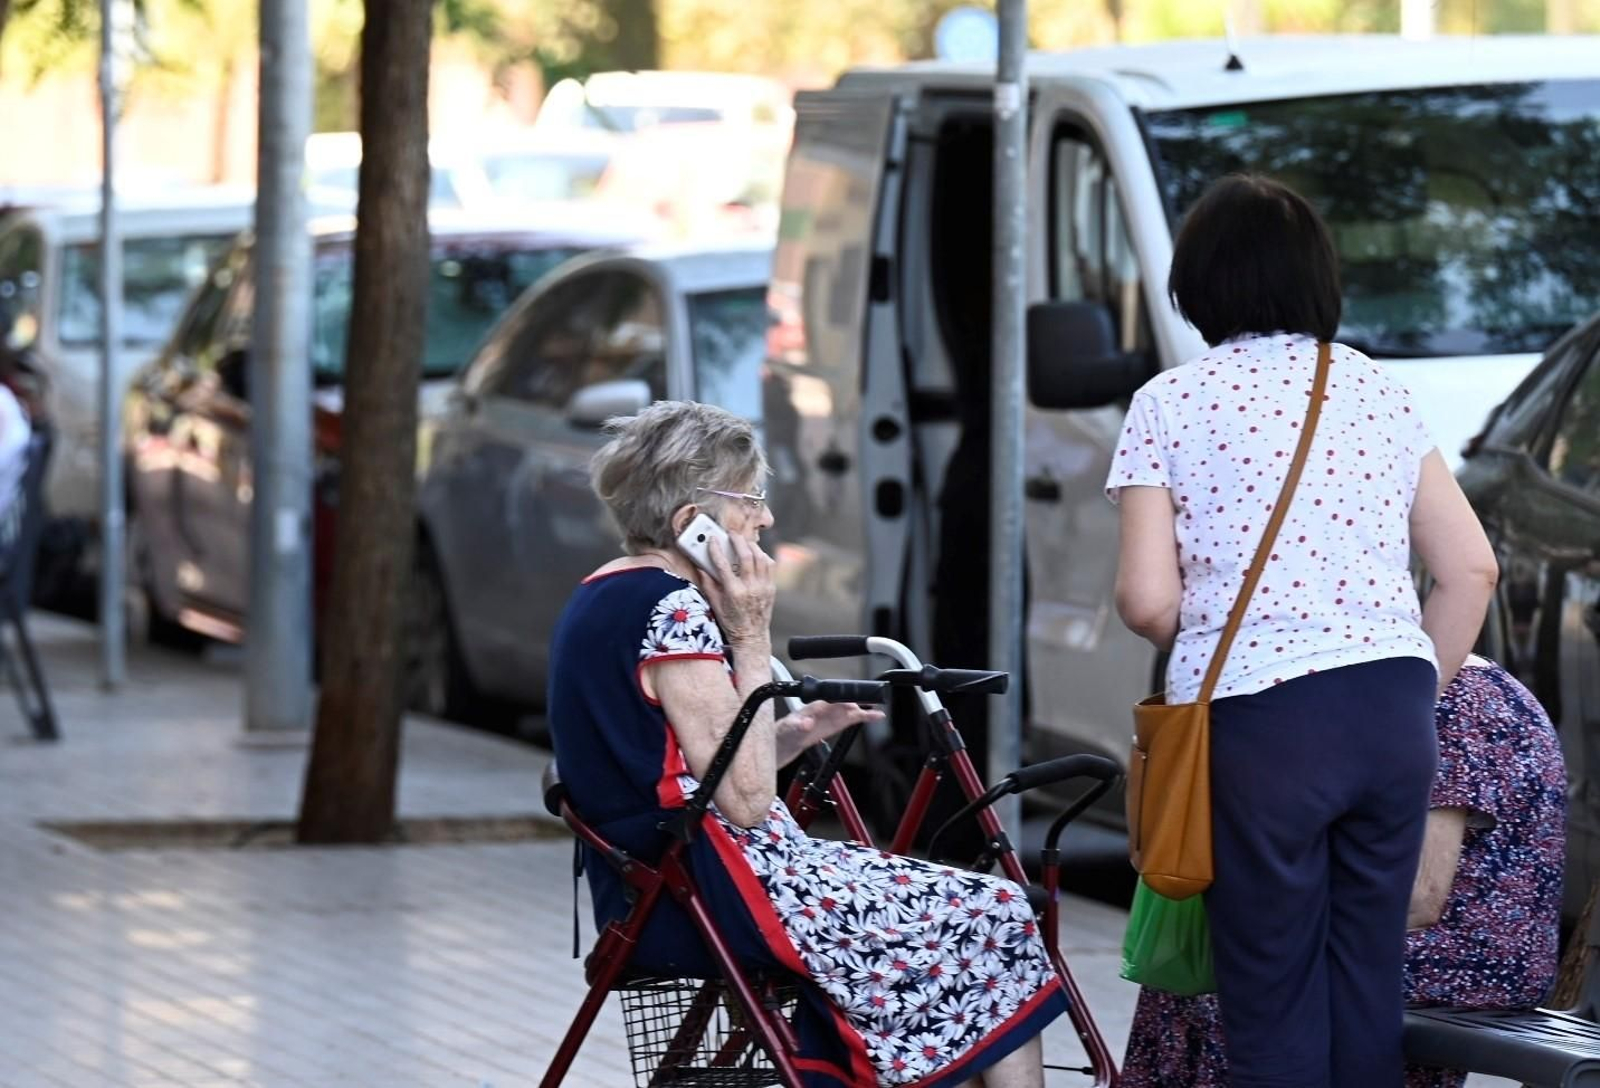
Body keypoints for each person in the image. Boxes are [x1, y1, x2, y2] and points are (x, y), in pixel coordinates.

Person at [1107, 174, 1499, 1088]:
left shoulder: (1169, 403)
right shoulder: (1377, 389)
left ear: (1198, 285)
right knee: (1364, 981)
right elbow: (1471, 567)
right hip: (1391, 709)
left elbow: (1145, 601)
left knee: (1270, 991)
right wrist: (1412, 686)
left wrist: (1213, 631)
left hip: (1260, 721)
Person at [548, 400, 1069, 1088]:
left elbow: (680, 761)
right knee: (996, 911)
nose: (764, 518)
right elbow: (747, 800)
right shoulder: (674, 607)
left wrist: (790, 730)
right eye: (751, 499)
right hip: (718, 888)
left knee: (961, 924)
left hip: (660, 878)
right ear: (689, 525)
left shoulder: (600, 594)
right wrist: (751, 633)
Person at [1121, 656, 1567, 1088]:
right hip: (1424, 938)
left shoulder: (1445, 700)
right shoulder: (1409, 683)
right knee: (1189, 968)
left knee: (1234, 975)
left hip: (1466, 952)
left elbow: (1420, 894)